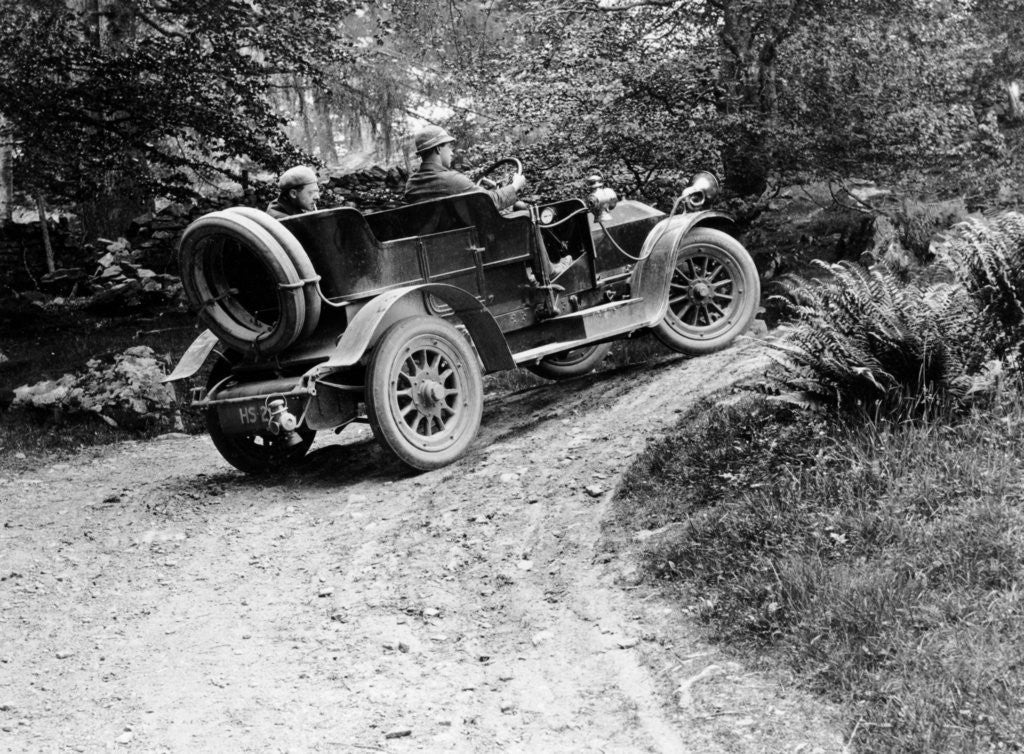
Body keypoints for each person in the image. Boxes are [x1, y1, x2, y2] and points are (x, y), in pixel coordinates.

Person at [402, 126, 526, 210]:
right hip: (468, 242)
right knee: (524, 211)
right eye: (448, 147)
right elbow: (491, 202)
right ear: (438, 148)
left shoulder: (411, 185)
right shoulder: (452, 180)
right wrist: (515, 186)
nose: (451, 153)